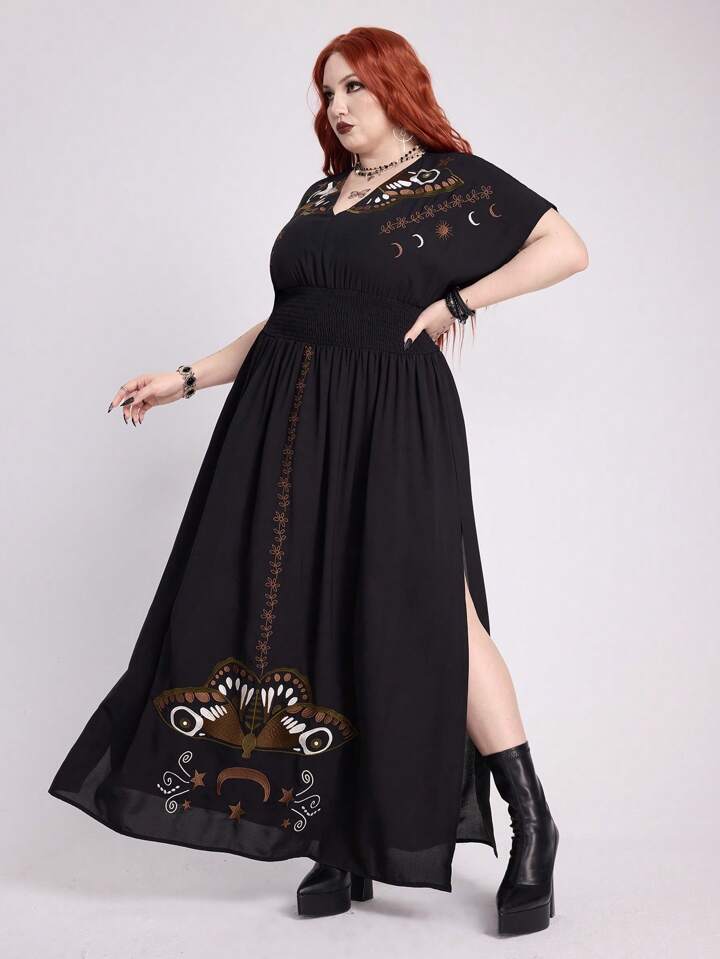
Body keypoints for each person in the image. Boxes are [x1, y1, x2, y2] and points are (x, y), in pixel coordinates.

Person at [48, 26, 588, 935]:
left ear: (396, 88)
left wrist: (458, 302)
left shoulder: (452, 181)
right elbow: (287, 318)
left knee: (436, 610)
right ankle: (339, 835)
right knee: (318, 608)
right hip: (286, 421)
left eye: (353, 89)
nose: (336, 107)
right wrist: (186, 378)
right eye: (327, 92)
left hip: (390, 420)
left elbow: (564, 245)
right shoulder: (322, 194)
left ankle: (532, 823)